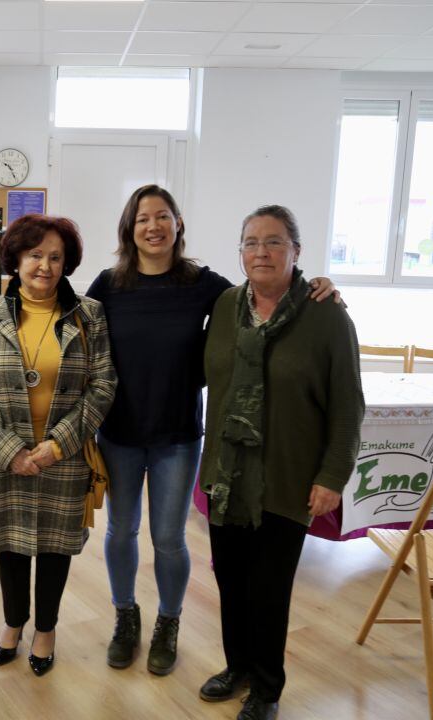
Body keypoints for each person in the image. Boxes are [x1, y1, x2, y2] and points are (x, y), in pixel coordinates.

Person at [86, 185, 338, 674]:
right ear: (129, 228)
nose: (153, 226)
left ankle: (168, 622)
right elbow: (72, 329)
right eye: (142, 219)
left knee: (168, 538)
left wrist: (316, 287)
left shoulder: (203, 284)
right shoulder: (109, 283)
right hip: (118, 432)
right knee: (121, 531)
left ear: (178, 224)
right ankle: (126, 616)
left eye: (163, 216)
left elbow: (263, 293)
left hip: (178, 435)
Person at [197, 205, 363, 720]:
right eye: (250, 242)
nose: (261, 252)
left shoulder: (327, 315)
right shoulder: (225, 305)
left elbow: (347, 404)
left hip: (287, 478)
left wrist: (333, 476)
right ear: (240, 252)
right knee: (230, 578)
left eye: (273, 242)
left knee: (269, 588)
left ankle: (267, 689)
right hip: (227, 474)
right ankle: (238, 666)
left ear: (297, 251)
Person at [0, 213, 117, 676]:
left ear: (66, 263)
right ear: (17, 259)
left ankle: (45, 629)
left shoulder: (90, 315)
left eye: (55, 257)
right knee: (10, 543)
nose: (44, 266)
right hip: (3, 456)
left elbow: (103, 385)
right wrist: (11, 451)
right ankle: (13, 623)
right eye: (35, 256)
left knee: (54, 547)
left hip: (61, 457)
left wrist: (58, 445)